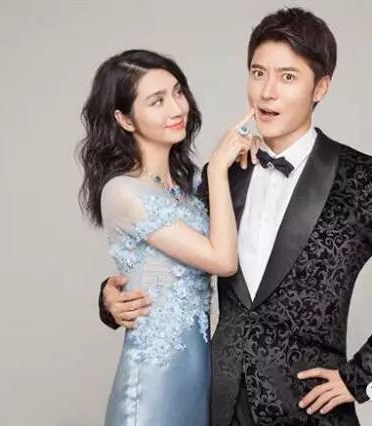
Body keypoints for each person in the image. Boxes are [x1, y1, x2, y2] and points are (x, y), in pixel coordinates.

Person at [98, 8, 372, 426]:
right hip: (218, 404)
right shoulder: (221, 175)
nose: (267, 93)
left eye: (287, 77)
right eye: (258, 73)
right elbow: (170, 255)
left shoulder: (365, 178)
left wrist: (362, 377)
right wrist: (110, 298)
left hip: (309, 409)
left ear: (320, 86)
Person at [78, 49, 254, 425]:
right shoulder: (123, 192)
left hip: (199, 374)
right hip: (155, 380)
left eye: (178, 92)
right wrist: (219, 170)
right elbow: (222, 261)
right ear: (124, 119)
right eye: (157, 101)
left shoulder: (190, 186)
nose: (177, 108)